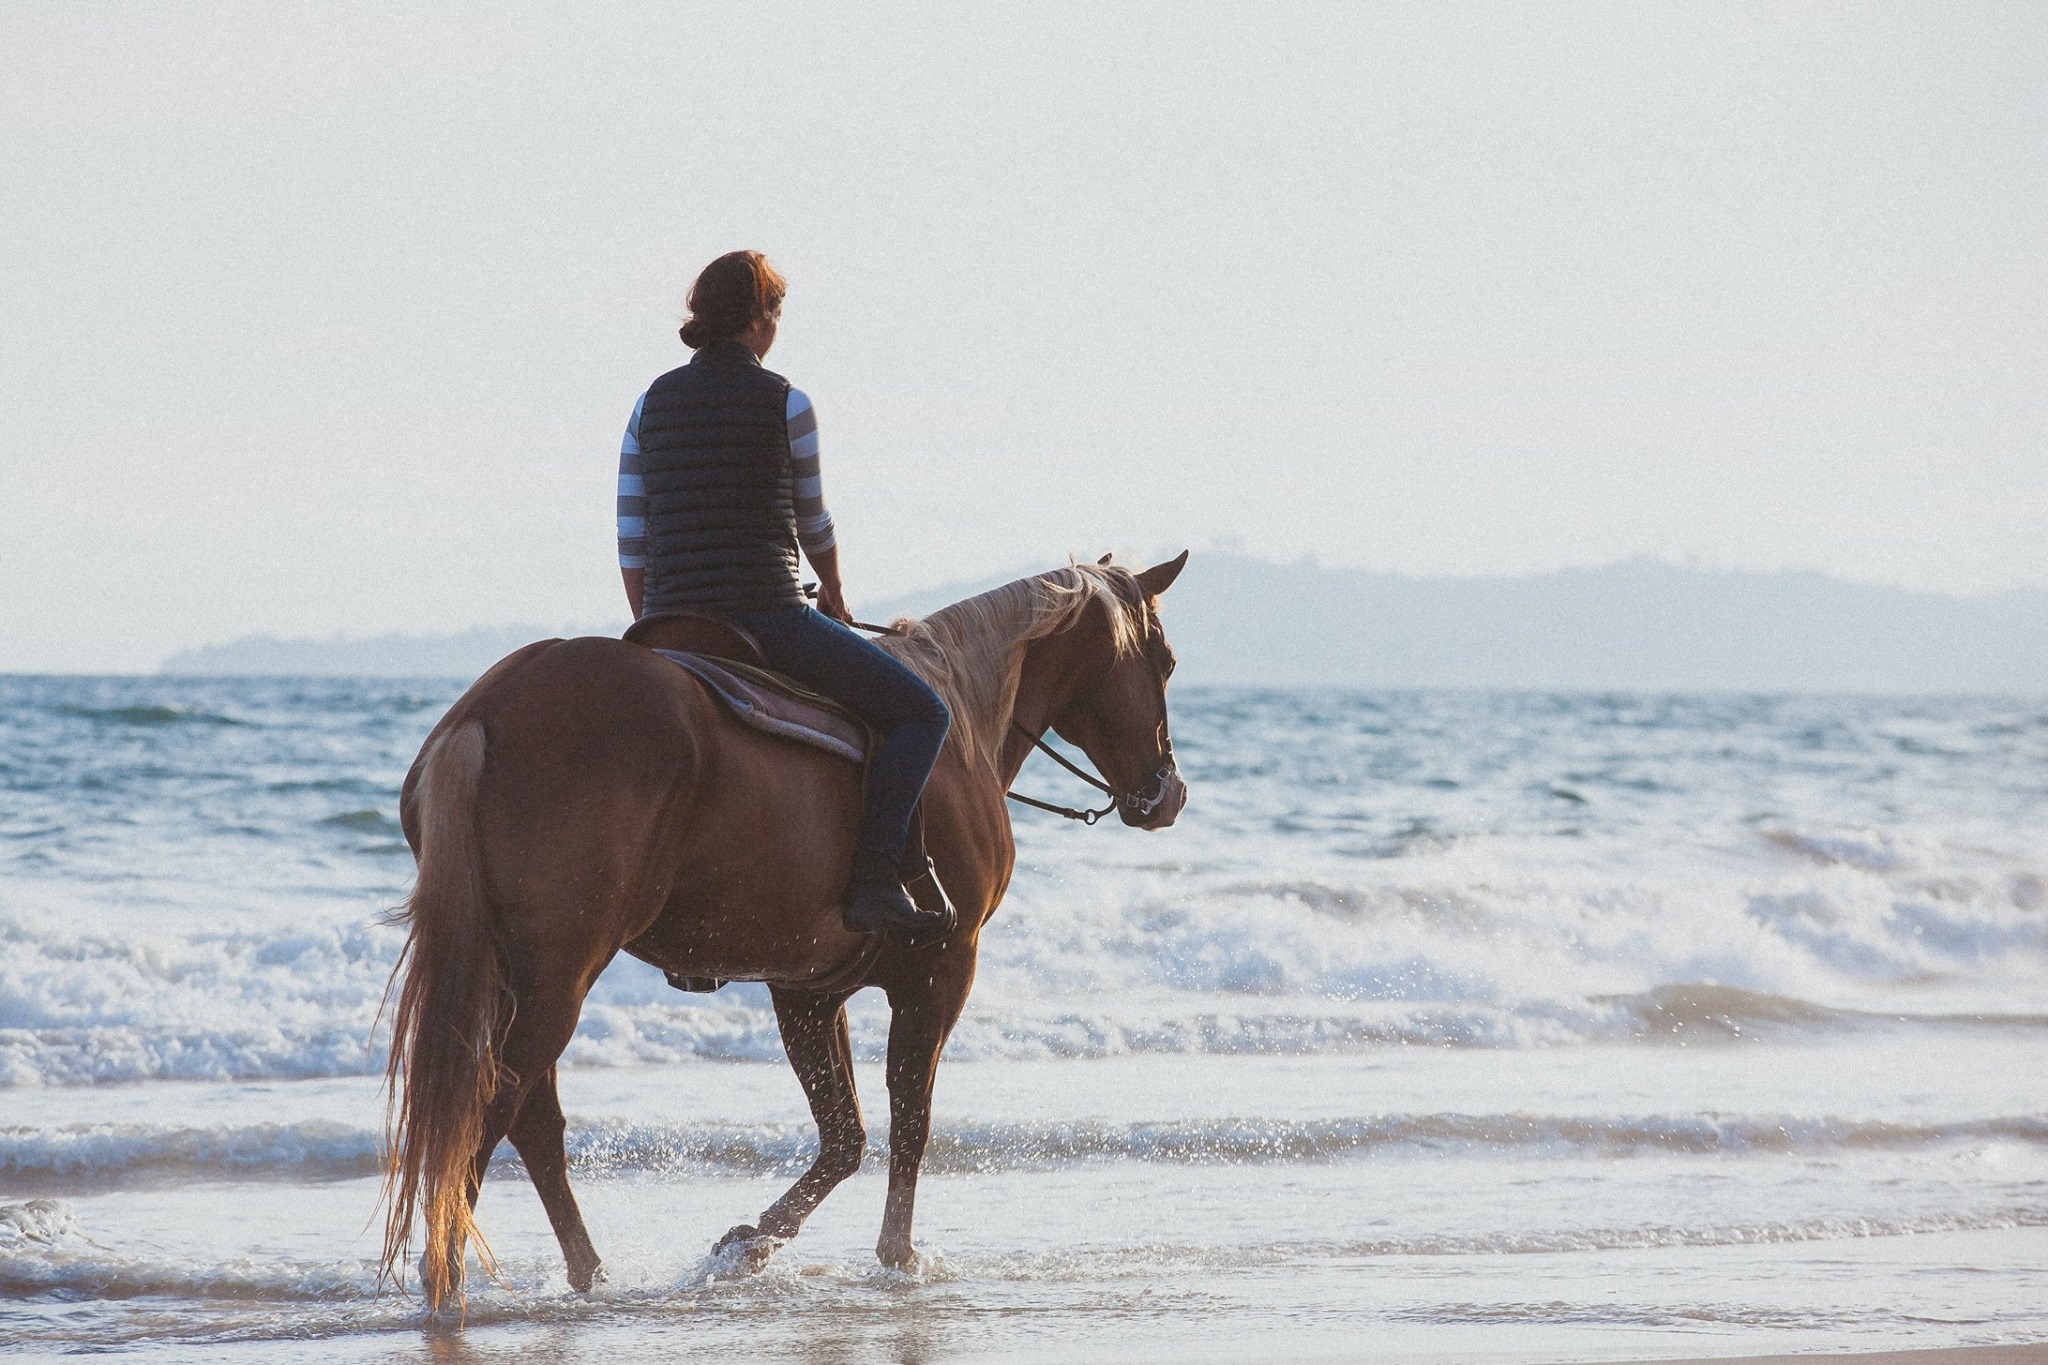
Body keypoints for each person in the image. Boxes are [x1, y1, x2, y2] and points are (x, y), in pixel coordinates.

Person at [616, 250, 951, 938]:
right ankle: (874, 876)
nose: (776, 325)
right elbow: (814, 521)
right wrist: (833, 591)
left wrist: (655, 624)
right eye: (775, 311)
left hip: (671, 623)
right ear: (758, 320)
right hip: (765, 613)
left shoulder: (648, 405)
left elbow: (631, 537)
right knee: (922, 713)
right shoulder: (787, 402)